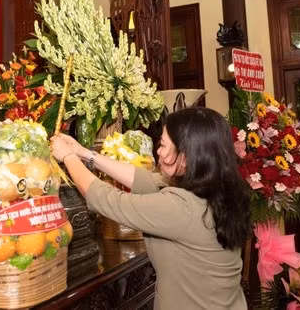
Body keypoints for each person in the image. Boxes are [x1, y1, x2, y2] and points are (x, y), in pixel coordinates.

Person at [50, 107, 250, 309]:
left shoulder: (181, 207)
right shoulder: (219, 188)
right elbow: (143, 179)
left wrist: (68, 157)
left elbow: (105, 198)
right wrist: (84, 153)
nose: (158, 151)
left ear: (187, 156)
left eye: (163, 145)